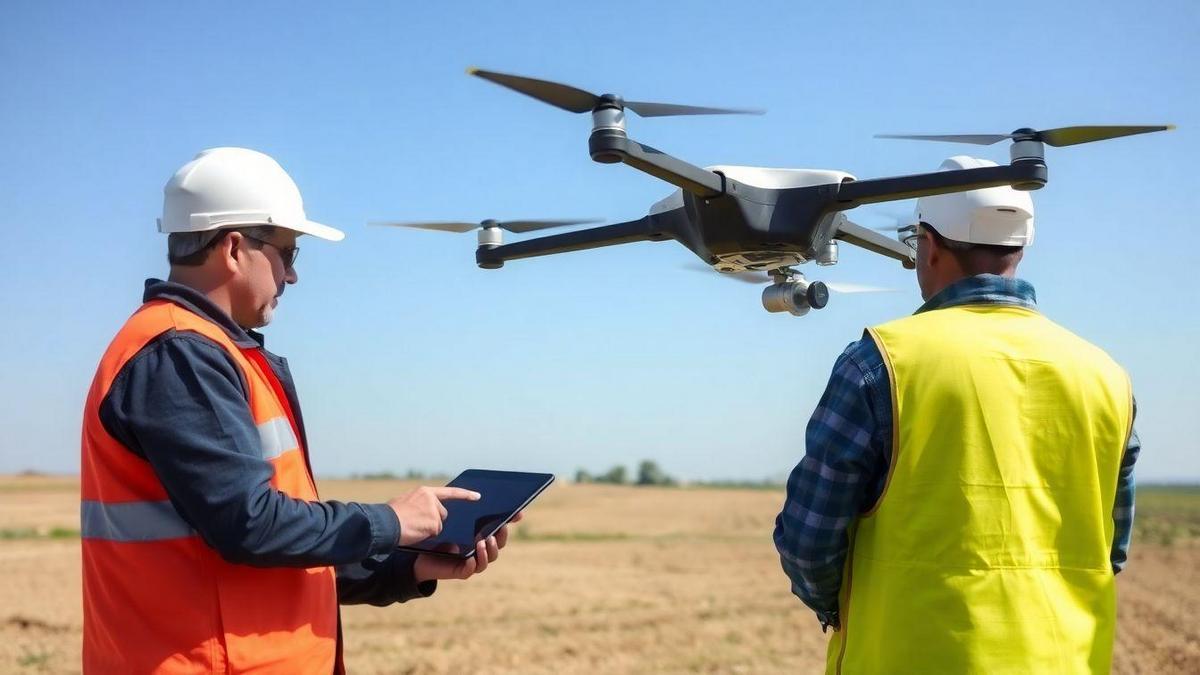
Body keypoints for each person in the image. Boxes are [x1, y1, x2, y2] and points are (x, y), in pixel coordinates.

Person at [80, 147, 516, 674]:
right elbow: (251, 525)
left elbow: (280, 545)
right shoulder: (181, 354)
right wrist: (391, 521)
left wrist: (411, 566)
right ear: (234, 248)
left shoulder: (208, 350)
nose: (291, 276)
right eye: (287, 253)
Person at [774, 156, 1140, 674]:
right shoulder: (1106, 375)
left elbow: (809, 541)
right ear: (1020, 249)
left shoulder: (879, 362)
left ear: (928, 245)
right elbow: (1111, 547)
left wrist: (838, 606)